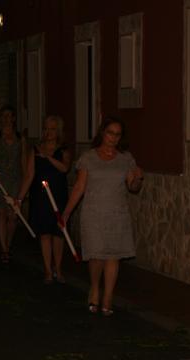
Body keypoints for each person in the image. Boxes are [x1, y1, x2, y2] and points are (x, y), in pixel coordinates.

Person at [63, 116, 143, 314]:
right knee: (96, 256)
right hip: (93, 213)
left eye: (117, 134)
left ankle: (108, 296)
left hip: (117, 214)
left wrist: (138, 179)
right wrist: (66, 213)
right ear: (102, 132)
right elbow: (79, 187)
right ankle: (95, 288)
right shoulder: (89, 157)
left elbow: (132, 187)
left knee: (113, 256)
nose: (113, 138)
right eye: (110, 133)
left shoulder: (125, 159)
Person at [17, 115, 71, 283]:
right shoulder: (35, 150)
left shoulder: (64, 150)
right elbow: (29, 175)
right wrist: (19, 199)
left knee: (58, 234)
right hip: (40, 197)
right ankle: (47, 270)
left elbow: (65, 168)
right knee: (45, 233)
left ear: (58, 131)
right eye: (46, 128)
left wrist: (48, 157)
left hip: (59, 196)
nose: (48, 132)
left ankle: (58, 269)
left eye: (52, 129)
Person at [0, 105, 26, 263]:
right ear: (0, 118)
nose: (7, 119)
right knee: (1, 212)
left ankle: (7, 243)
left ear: (14, 118)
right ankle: (4, 248)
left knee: (13, 215)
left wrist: (25, 184)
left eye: (9, 115)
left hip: (15, 180)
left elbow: (23, 162)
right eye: (4, 116)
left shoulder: (21, 139)